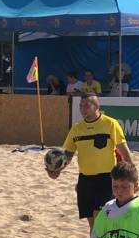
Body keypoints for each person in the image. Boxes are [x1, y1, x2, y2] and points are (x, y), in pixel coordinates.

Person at [47, 93, 133, 229]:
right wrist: (56, 170)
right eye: (80, 106)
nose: (83, 109)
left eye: (86, 105)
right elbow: (67, 155)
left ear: (97, 106)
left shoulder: (110, 124)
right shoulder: (76, 128)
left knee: (101, 218)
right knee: (91, 221)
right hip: (84, 179)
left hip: (106, 178)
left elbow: (124, 151)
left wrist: (132, 176)